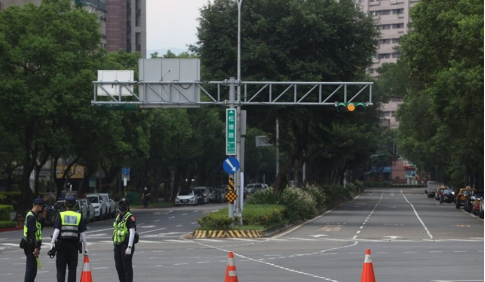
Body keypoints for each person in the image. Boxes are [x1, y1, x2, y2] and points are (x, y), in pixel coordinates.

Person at [49, 195, 88, 282]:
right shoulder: (78, 216)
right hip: (74, 247)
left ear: (65, 204)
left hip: (61, 246)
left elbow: (56, 231)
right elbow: (82, 234)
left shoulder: (61, 215)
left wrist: (51, 243)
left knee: (60, 269)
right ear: (75, 205)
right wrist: (86, 248)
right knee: (72, 270)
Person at [113, 198, 137, 282]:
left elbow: (132, 232)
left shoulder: (130, 217)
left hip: (126, 244)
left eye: (124, 204)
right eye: (120, 204)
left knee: (126, 267)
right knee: (119, 266)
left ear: (128, 206)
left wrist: (129, 247)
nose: (121, 206)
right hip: (117, 245)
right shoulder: (119, 217)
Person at [23, 198, 46, 282]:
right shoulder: (31, 217)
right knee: (30, 270)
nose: (42, 208)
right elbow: (32, 234)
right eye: (42, 206)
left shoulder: (35, 217)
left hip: (34, 246)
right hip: (31, 246)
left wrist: (43, 218)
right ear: (37, 206)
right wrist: (36, 247)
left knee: (33, 271)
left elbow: (39, 229)